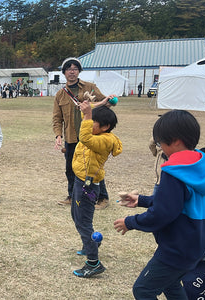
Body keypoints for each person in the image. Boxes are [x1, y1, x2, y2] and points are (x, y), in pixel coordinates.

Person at [113, 110, 205, 299]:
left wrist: (131, 222)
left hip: (177, 249)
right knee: (171, 283)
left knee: (143, 290)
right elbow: (178, 202)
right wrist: (142, 200)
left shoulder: (175, 169)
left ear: (175, 140)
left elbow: (163, 213)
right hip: (199, 244)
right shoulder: (204, 164)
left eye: (161, 143)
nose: (160, 149)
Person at [52, 57, 114, 209]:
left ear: (79, 71)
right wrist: (58, 136)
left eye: (74, 69)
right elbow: (57, 118)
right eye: (68, 69)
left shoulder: (90, 87)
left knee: (93, 168)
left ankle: (102, 198)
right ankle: (72, 195)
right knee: (71, 168)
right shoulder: (60, 94)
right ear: (64, 72)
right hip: (72, 137)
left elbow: (105, 105)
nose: (71, 72)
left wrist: (109, 100)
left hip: (91, 137)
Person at [72, 102, 122, 278]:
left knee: (84, 222)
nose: (88, 123)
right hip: (80, 181)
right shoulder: (95, 133)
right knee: (77, 217)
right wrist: (88, 110)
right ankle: (89, 244)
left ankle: (93, 263)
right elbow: (86, 123)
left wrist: (86, 116)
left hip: (88, 185)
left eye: (92, 121)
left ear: (105, 127)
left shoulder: (104, 140)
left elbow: (85, 138)